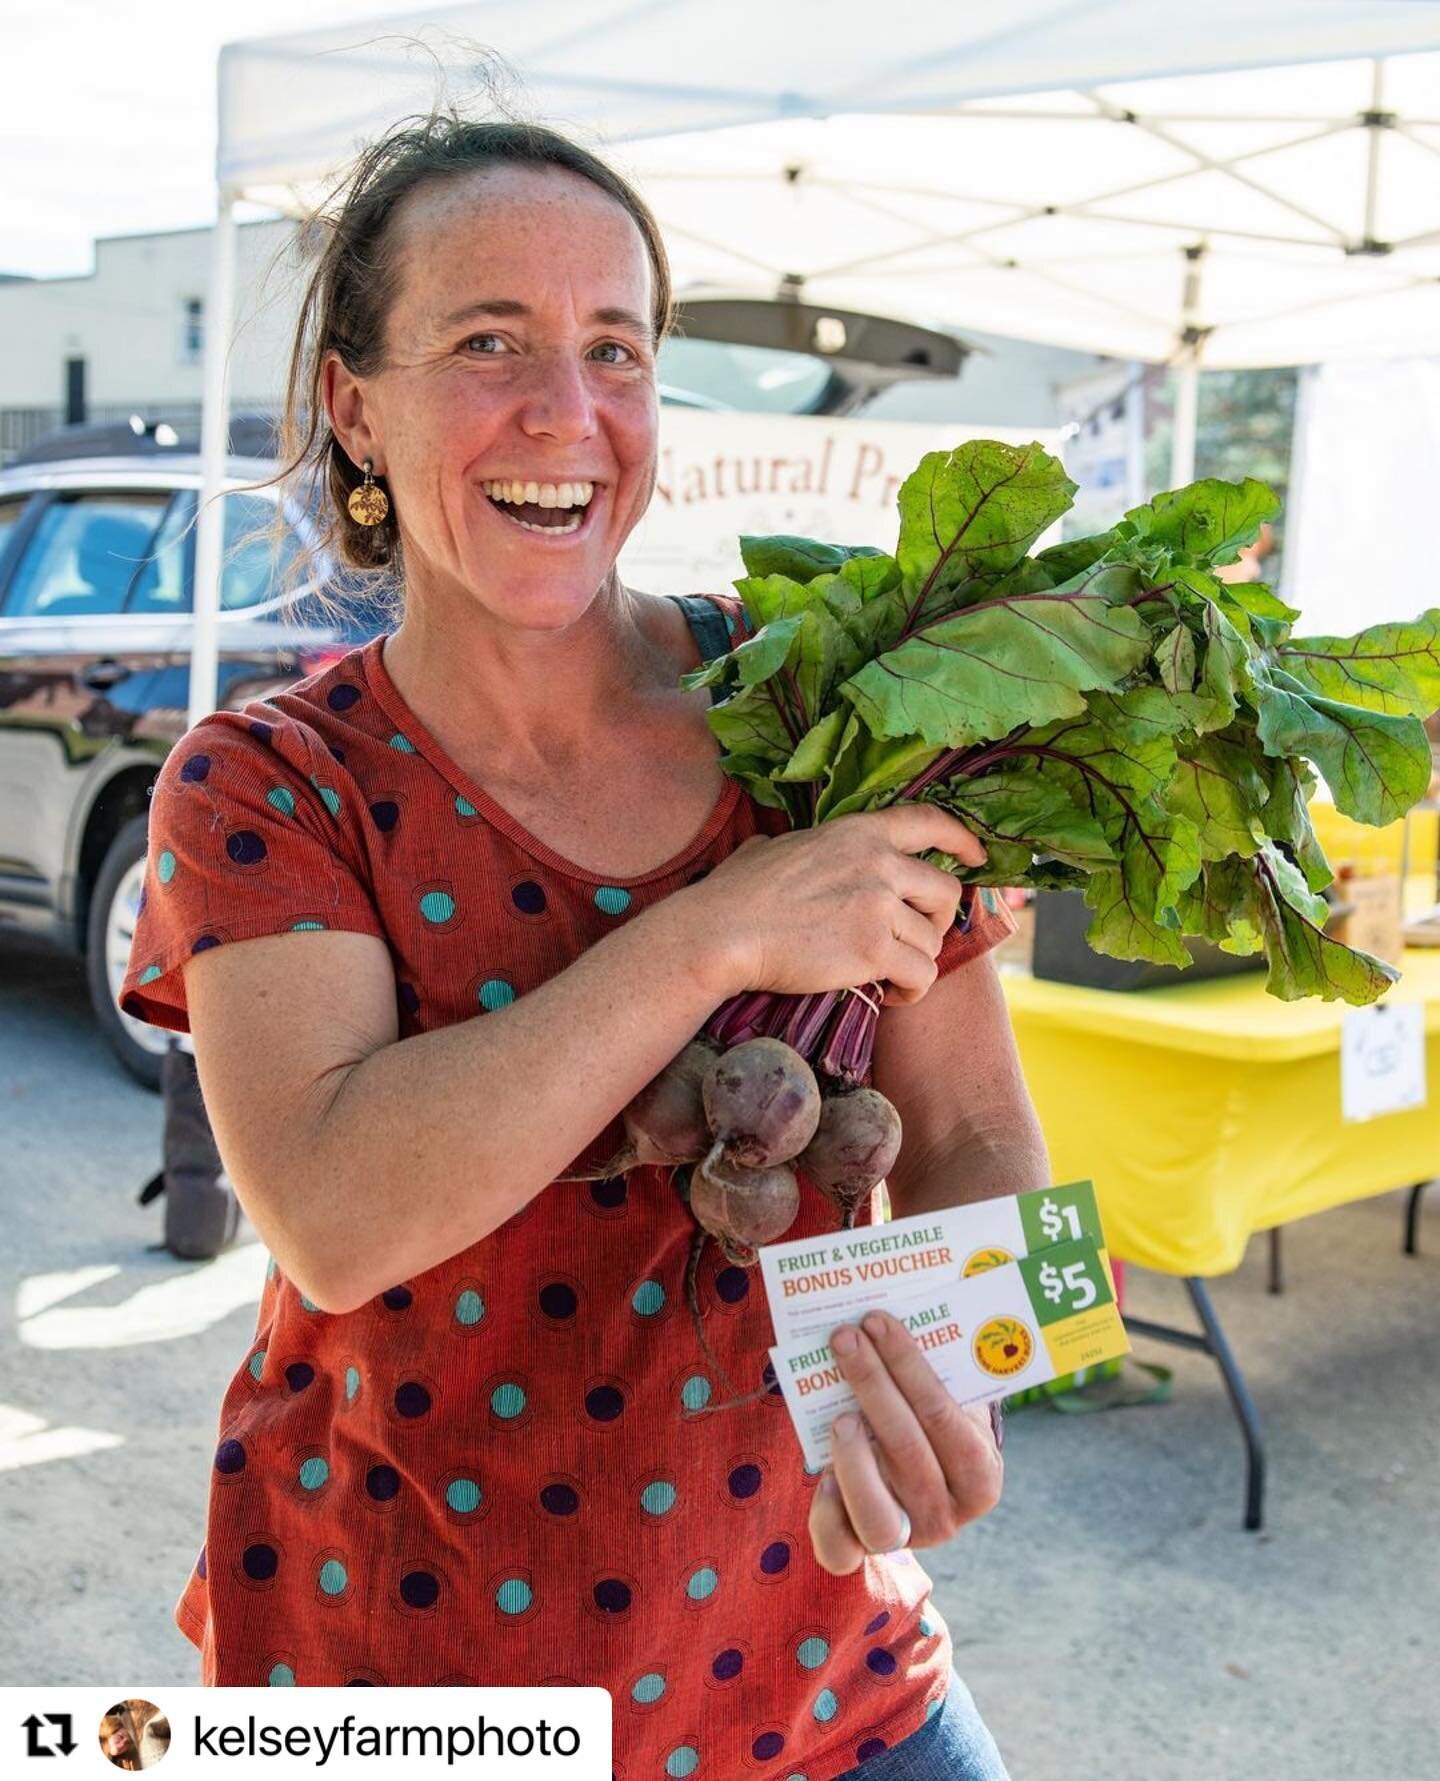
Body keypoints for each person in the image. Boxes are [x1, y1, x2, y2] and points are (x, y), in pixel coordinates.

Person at [118, 108, 1049, 1780]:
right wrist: (709, 936)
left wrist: (972, 1368)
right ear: (355, 402)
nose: (568, 411)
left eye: (615, 349)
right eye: (490, 342)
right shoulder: (271, 783)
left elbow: (974, 1120)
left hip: (827, 1665)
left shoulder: (811, 702)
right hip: (406, 1683)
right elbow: (334, 1211)